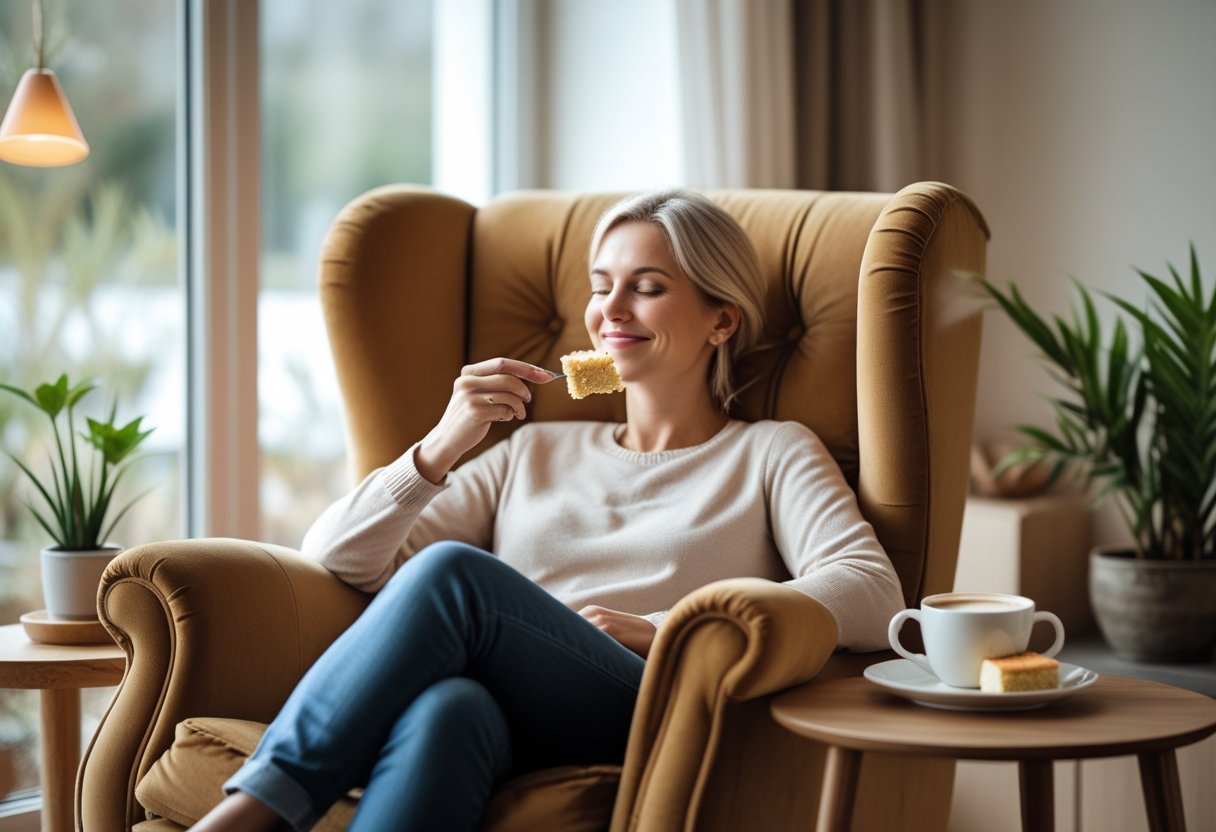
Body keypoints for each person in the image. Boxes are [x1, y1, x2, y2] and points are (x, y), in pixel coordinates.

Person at [193, 190, 905, 831]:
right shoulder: (533, 450)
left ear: (722, 321)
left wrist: (666, 629)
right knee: (449, 710)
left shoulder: (771, 452)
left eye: (648, 288)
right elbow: (337, 558)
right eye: (601, 289)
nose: (612, 311)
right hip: (506, 709)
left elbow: (874, 592)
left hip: (647, 703)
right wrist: (441, 447)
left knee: (455, 576)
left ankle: (255, 810)